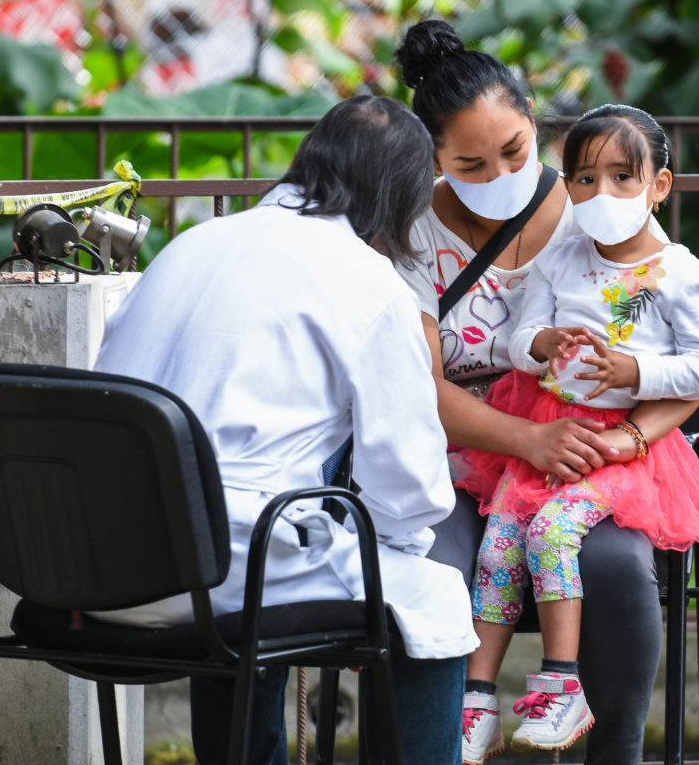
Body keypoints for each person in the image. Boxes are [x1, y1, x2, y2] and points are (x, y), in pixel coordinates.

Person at [91, 95, 479, 765]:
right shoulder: (366, 281)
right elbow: (410, 496)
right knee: (433, 596)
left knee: (259, 545)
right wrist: (376, 573)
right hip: (215, 575)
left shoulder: (191, 246)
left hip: (90, 566)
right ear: (398, 201)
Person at [394, 19, 699, 765]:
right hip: (460, 458)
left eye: (515, 150)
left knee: (616, 566)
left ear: (535, 125)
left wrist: (624, 435)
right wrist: (529, 435)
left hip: (592, 454)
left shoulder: (594, 210)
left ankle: (613, 745)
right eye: (471, 163)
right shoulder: (411, 233)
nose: (500, 172)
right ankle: (438, 736)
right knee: (430, 566)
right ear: (434, 158)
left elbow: (689, 361)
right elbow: (418, 384)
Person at [454, 104, 699, 752]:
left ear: (659, 184)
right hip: (545, 430)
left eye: (621, 177)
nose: (599, 194)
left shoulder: (688, 278)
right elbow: (520, 340)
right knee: (497, 547)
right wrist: (546, 342)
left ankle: (561, 686)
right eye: (583, 179)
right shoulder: (561, 259)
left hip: (630, 450)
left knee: (550, 534)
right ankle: (476, 700)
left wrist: (634, 371)